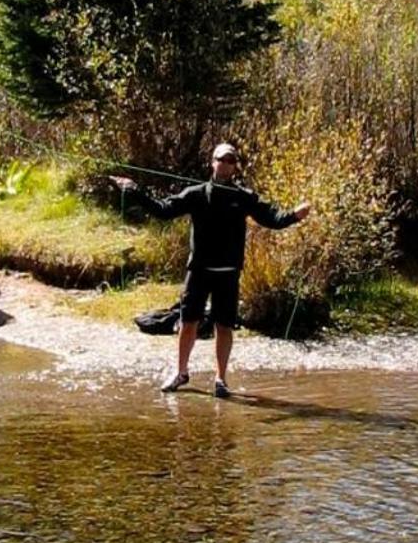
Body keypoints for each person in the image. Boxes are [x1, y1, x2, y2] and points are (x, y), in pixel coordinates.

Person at [111, 143, 311, 398]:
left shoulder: (243, 197)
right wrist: (133, 191)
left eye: (231, 160)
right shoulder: (196, 194)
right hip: (199, 271)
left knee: (224, 326)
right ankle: (181, 373)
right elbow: (163, 210)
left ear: (235, 166)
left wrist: (295, 215)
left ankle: (221, 379)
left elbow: (271, 218)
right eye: (222, 159)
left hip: (228, 273)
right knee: (188, 322)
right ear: (212, 162)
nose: (226, 164)